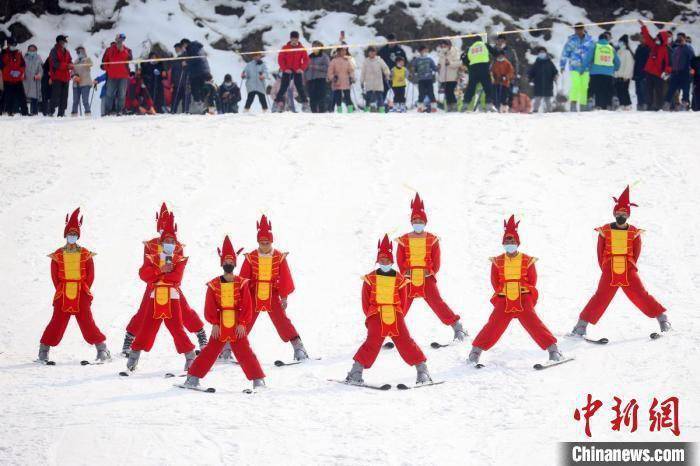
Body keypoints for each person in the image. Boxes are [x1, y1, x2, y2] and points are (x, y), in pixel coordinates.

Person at [571, 186, 670, 338]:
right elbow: (600, 251)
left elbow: (636, 252)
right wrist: (606, 267)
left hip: (628, 268)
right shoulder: (605, 230)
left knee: (640, 294)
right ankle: (580, 326)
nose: (621, 215)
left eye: (624, 213)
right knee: (601, 296)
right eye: (618, 213)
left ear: (628, 215)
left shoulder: (634, 232)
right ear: (614, 213)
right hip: (610, 268)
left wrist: (629, 265)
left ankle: (663, 320)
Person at [468, 216, 562, 366]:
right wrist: (503, 292)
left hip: (523, 298)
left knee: (534, 323)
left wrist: (525, 292)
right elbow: (495, 282)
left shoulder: (527, 260)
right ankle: (475, 352)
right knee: (494, 324)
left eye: (512, 241)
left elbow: (533, 280)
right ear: (503, 243)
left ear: (517, 243)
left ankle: (553, 350)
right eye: (507, 241)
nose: (509, 244)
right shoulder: (497, 261)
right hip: (504, 299)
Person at [180, 236, 266, 392]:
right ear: (222, 263)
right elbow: (210, 306)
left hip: (237, 324)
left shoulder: (242, 283)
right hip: (219, 325)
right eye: (226, 261)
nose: (229, 264)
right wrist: (214, 323)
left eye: (231, 261)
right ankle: (192, 378)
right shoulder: (214, 284)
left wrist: (242, 323)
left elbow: (247, 304)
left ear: (235, 263)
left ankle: (258, 380)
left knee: (245, 351)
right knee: (210, 351)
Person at [121, 204, 208, 357]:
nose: (163, 228)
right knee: (144, 313)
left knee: (184, 311)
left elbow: (178, 269)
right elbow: (145, 268)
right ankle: (129, 339)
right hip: (153, 285)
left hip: (172, 286)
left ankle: (201, 335)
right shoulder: (150, 244)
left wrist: (166, 276)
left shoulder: (177, 245)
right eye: (161, 224)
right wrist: (158, 274)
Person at [345, 235, 431, 386]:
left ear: (392, 261)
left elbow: (403, 302)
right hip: (376, 314)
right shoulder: (370, 278)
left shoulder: (400, 279)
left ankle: (422, 371)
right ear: (378, 261)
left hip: (395, 314)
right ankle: (355, 372)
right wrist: (372, 316)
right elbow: (365, 301)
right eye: (382, 260)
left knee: (405, 341)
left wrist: (397, 314)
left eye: (387, 260)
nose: (384, 262)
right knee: (372, 342)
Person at [37, 208, 110, 365]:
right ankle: (44, 350)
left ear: (78, 235)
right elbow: (54, 276)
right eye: (70, 233)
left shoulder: (85, 254)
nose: (72, 236)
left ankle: (102, 349)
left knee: (87, 322)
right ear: (65, 235)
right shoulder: (58, 254)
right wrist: (62, 287)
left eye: (75, 233)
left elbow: (90, 275)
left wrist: (82, 289)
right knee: (56, 322)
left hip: (80, 292)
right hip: (63, 293)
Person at [396, 194, 466, 342]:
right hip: (408, 279)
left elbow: (436, 260)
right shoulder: (403, 239)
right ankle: (388, 332)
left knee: (437, 303)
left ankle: (457, 326)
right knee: (401, 305)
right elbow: (400, 259)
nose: (417, 222)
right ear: (411, 222)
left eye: (420, 220)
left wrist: (431, 271)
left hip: (426, 278)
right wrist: (404, 271)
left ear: (425, 222)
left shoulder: (432, 239)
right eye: (415, 220)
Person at [240, 215, 309, 361]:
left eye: (267, 242)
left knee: (281, 320)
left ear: (271, 241)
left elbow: (285, 277)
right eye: (262, 242)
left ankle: (298, 347)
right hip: (254, 294)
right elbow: (243, 280)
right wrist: (243, 298)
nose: (264, 245)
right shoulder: (250, 257)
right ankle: (228, 347)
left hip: (272, 293)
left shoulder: (279, 257)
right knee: (244, 320)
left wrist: (284, 296)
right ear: (258, 242)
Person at [560, 23, 594, 111]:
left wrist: (592, 65)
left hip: (586, 67)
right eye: (577, 29)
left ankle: (583, 105)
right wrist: (562, 65)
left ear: (583, 29)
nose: (578, 31)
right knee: (576, 85)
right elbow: (565, 53)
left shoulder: (589, 41)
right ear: (575, 30)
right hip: (575, 66)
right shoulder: (572, 40)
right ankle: (573, 104)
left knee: (584, 86)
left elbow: (593, 54)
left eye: (580, 29)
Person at [638, 20, 671, 111]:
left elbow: (668, 63)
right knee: (648, 90)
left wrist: (666, 73)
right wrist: (643, 26)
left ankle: (658, 106)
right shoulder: (654, 45)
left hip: (659, 74)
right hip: (649, 72)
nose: (656, 39)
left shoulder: (666, 50)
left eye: (658, 38)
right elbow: (647, 37)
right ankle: (649, 105)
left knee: (659, 91)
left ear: (662, 39)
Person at [584, 32, 620, 110]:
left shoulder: (595, 46)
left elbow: (587, 58)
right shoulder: (611, 48)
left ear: (599, 39)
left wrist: (585, 67)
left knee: (593, 88)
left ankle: (591, 99)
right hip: (608, 74)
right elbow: (618, 61)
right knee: (608, 89)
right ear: (606, 39)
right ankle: (613, 98)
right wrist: (614, 68)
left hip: (595, 73)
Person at [275, 31, 309, 111]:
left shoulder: (301, 48)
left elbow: (306, 59)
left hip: (297, 70)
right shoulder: (285, 48)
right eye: (293, 39)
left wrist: (302, 68)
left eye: (296, 39)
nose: (294, 41)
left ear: (298, 39)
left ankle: (305, 104)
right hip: (287, 71)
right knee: (283, 86)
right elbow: (280, 59)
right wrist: (284, 68)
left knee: (300, 87)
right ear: (290, 39)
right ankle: (278, 103)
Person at [461, 36, 496, 112]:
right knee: (488, 87)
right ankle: (489, 105)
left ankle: (465, 105)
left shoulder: (470, 48)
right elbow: (495, 52)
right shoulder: (485, 45)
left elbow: (465, 60)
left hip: (473, 70)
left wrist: (469, 66)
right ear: (481, 40)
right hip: (484, 68)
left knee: (471, 88)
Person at [101, 33, 132, 115]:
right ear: (116, 39)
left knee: (122, 94)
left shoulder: (127, 50)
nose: (120, 41)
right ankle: (108, 111)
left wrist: (122, 51)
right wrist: (109, 69)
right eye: (119, 39)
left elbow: (130, 58)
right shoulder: (108, 50)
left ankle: (120, 111)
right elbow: (104, 61)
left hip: (123, 76)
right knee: (109, 94)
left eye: (122, 40)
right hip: (112, 76)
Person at [665, 32, 695, 110]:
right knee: (671, 89)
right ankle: (667, 104)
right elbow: (672, 60)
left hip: (685, 72)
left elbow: (692, 58)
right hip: (675, 72)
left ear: (684, 38)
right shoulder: (676, 49)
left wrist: (692, 69)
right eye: (678, 38)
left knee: (685, 90)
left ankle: (685, 105)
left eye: (681, 38)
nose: (679, 39)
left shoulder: (688, 48)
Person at [180, 38, 210, 111]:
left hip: (197, 72)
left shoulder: (192, 47)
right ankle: (202, 103)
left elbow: (195, 59)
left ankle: (200, 104)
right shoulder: (197, 46)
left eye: (182, 46)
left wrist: (186, 64)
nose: (183, 48)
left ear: (185, 44)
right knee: (200, 87)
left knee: (195, 88)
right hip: (202, 70)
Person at [0, 37, 28, 115]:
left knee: (22, 96)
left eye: (15, 44)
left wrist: (19, 72)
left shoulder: (19, 53)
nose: (13, 46)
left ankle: (25, 112)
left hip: (18, 79)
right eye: (12, 44)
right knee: (9, 96)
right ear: (8, 44)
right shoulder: (3, 53)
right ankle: (10, 112)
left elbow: (23, 65)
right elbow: (2, 66)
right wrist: (10, 72)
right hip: (8, 79)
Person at [48, 35, 73, 117]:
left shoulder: (67, 51)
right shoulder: (53, 51)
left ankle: (61, 113)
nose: (66, 42)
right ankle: (50, 111)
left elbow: (70, 61)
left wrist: (71, 65)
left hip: (66, 77)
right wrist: (66, 66)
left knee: (64, 96)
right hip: (57, 77)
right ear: (59, 42)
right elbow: (54, 63)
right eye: (64, 41)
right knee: (55, 95)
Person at [528, 46, 558, 113]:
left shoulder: (549, 63)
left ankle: (549, 111)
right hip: (538, 84)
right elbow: (531, 72)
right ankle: (535, 110)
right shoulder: (536, 63)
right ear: (538, 54)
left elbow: (555, 71)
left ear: (546, 53)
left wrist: (555, 76)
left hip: (548, 83)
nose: (542, 53)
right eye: (540, 52)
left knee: (547, 99)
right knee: (537, 99)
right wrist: (530, 79)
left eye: (543, 52)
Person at [378, 33, 407, 101]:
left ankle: (399, 105)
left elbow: (405, 61)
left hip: (397, 75)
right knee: (383, 91)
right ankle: (381, 106)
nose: (392, 42)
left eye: (393, 40)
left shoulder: (400, 50)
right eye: (390, 40)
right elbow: (378, 61)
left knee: (399, 93)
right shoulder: (383, 50)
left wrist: (403, 71)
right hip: (386, 75)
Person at [361, 46, 390, 112]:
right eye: (371, 52)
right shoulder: (366, 62)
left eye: (374, 52)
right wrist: (361, 81)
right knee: (368, 98)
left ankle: (381, 110)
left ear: (376, 52)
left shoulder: (379, 60)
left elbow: (385, 68)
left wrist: (387, 75)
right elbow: (363, 72)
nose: (372, 53)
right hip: (369, 83)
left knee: (380, 97)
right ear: (368, 53)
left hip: (378, 82)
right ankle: (366, 111)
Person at [327, 46, 355, 113]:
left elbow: (351, 70)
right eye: (342, 50)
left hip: (346, 81)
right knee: (338, 98)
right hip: (337, 82)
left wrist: (351, 77)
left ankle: (350, 111)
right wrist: (333, 77)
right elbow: (330, 72)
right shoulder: (334, 61)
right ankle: (340, 111)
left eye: (345, 51)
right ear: (338, 51)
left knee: (348, 97)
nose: (344, 52)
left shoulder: (347, 60)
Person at [410, 45, 437, 112]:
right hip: (421, 79)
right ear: (420, 52)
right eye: (423, 51)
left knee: (431, 93)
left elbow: (434, 67)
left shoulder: (429, 59)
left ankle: (433, 107)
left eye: (426, 51)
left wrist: (438, 67)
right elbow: (414, 68)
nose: (425, 52)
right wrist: (413, 70)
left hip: (429, 79)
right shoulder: (417, 60)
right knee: (421, 93)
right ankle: (420, 107)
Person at [436, 39, 461, 111]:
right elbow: (440, 62)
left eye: (445, 45)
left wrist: (450, 63)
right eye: (442, 46)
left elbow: (459, 63)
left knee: (450, 91)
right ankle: (449, 107)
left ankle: (454, 106)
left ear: (449, 45)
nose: (443, 47)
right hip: (444, 76)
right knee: (447, 92)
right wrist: (439, 65)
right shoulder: (441, 53)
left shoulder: (455, 51)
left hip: (453, 76)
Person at [305, 41, 330, 113]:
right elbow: (305, 69)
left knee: (321, 96)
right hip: (310, 80)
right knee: (312, 97)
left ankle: (322, 112)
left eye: (316, 46)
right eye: (313, 47)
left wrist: (316, 67)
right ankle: (314, 112)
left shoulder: (324, 56)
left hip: (320, 79)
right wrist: (305, 78)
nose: (314, 48)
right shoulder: (309, 57)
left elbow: (327, 67)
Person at [71, 46, 92, 116]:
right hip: (76, 83)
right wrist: (74, 76)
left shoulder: (87, 59)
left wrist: (85, 57)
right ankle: (74, 114)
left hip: (85, 83)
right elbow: (72, 71)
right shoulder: (75, 61)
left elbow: (90, 64)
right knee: (75, 101)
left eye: (79, 51)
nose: (78, 53)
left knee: (85, 100)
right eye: (77, 52)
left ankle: (88, 113)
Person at [614, 35, 634, 110]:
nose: (619, 43)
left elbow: (629, 65)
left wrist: (626, 75)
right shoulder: (618, 52)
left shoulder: (627, 52)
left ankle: (628, 104)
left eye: (621, 42)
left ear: (625, 43)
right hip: (618, 75)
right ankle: (622, 104)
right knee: (619, 90)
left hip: (625, 76)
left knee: (624, 90)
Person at [23, 44, 42, 115]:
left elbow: (41, 70)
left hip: (34, 80)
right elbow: (21, 68)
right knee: (25, 95)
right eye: (30, 50)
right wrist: (22, 74)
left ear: (36, 51)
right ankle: (24, 111)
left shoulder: (38, 58)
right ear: (28, 50)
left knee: (34, 96)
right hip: (26, 80)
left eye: (33, 50)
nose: (32, 51)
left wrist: (39, 75)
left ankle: (34, 112)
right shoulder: (24, 58)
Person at [170, 42, 189, 113]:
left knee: (185, 100)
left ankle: (185, 112)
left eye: (177, 49)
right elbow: (173, 72)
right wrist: (172, 82)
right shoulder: (176, 59)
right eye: (175, 49)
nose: (176, 51)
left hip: (185, 83)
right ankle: (172, 112)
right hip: (176, 83)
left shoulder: (187, 57)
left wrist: (186, 65)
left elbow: (191, 68)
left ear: (181, 48)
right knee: (174, 100)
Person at [633, 41, 650, 110]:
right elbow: (636, 61)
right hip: (637, 72)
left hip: (645, 73)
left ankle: (645, 104)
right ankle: (639, 103)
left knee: (644, 90)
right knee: (638, 90)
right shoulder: (638, 48)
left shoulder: (648, 49)